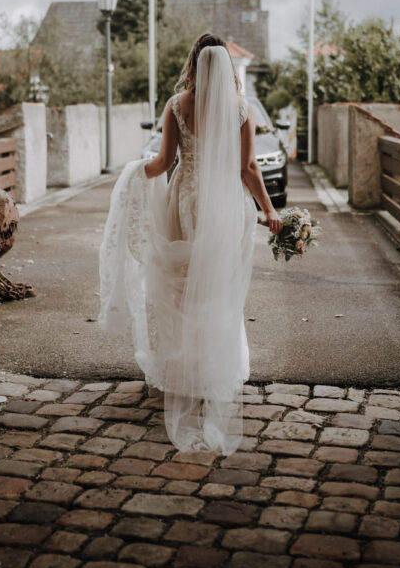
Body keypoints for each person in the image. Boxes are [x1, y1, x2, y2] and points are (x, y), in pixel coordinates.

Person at [99, 32, 283, 454]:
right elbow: (248, 167)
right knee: (218, 288)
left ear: (196, 64)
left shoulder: (177, 105)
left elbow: (163, 163)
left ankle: (185, 370)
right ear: (227, 69)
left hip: (186, 200)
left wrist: (130, 177)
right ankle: (212, 371)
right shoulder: (241, 109)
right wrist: (269, 210)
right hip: (225, 205)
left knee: (181, 286)